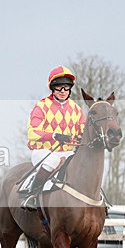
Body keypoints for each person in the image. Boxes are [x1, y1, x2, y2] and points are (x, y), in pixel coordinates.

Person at [21, 65, 86, 209]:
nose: (63, 91)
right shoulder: (42, 106)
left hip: (69, 152)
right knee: (52, 161)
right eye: (59, 87)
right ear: (52, 88)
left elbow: (82, 130)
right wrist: (54, 136)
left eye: (66, 87)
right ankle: (31, 195)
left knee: (84, 166)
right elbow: (32, 133)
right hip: (45, 151)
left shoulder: (76, 109)